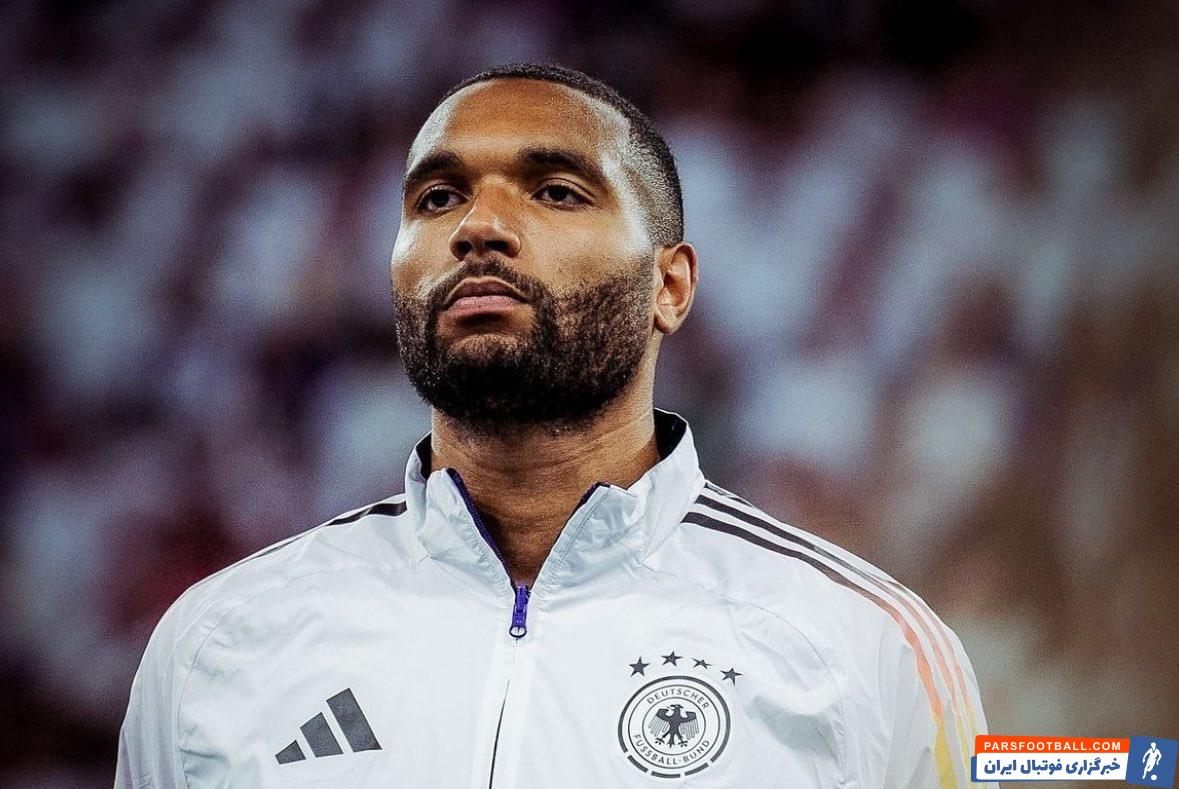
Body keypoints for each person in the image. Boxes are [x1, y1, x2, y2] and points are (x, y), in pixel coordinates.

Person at [115, 63, 992, 788]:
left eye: (557, 191)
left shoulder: (869, 648)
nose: (479, 227)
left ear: (669, 286)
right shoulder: (217, 643)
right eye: (437, 198)